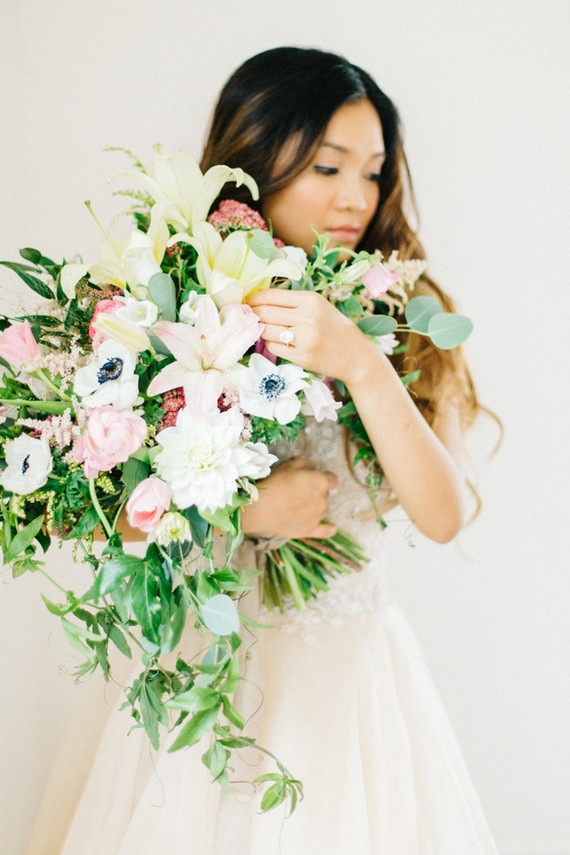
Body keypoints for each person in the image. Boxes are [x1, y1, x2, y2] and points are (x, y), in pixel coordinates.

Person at [27, 47, 498, 854]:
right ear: (255, 160)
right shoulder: (167, 297)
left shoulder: (404, 307)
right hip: (198, 678)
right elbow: (89, 511)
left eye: (374, 172)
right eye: (327, 167)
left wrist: (360, 361)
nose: (356, 198)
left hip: (345, 690)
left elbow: (444, 514)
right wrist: (242, 510)